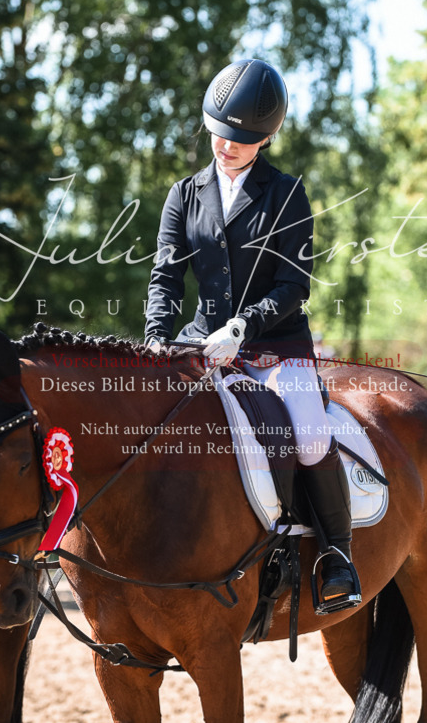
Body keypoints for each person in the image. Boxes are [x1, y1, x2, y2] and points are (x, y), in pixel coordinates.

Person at [144, 58, 361, 613]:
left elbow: (294, 285)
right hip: (202, 343)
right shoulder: (184, 194)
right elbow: (166, 277)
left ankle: (335, 555)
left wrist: (243, 326)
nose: (225, 147)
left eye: (240, 141)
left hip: (276, 346)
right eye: (219, 134)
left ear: (266, 139)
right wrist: (156, 337)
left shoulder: (286, 194)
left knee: (307, 435)